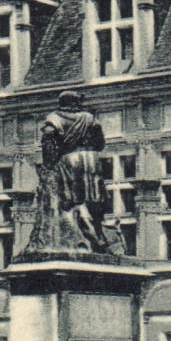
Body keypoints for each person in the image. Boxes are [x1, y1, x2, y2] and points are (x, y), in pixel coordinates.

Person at [38, 91, 114, 254]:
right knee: (94, 198)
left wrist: (49, 164)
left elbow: (48, 140)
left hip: (70, 159)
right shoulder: (90, 118)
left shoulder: (54, 118)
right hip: (92, 159)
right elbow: (100, 144)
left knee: (73, 201)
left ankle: (83, 237)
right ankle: (99, 234)